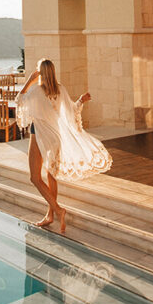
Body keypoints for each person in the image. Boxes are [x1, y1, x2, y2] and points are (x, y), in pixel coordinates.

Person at [16, 58, 112, 233]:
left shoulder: (36, 90)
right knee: (51, 175)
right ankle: (50, 215)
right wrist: (81, 100)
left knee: (35, 178)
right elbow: (71, 111)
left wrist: (29, 79)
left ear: (40, 72)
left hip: (40, 135)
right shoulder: (60, 89)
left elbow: (19, 100)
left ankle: (58, 210)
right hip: (56, 137)